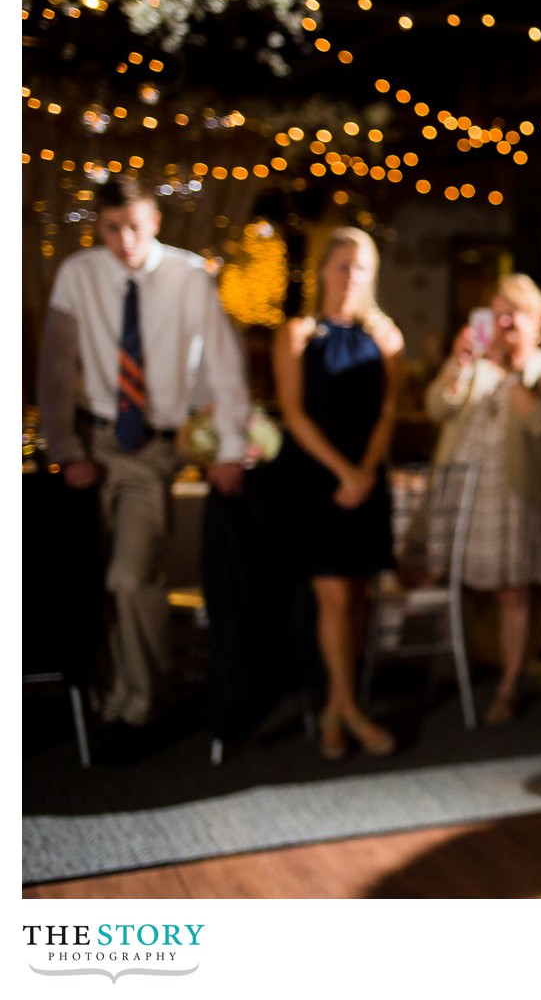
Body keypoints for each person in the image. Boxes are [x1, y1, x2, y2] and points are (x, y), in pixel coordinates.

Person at [35, 177, 250, 755]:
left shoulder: (188, 276)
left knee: (132, 576)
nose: (125, 240)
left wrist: (230, 447)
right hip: (95, 439)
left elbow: (225, 366)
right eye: (111, 228)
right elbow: (54, 368)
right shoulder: (78, 275)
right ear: (98, 227)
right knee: (92, 582)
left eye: (134, 226)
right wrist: (66, 450)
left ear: (154, 221)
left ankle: (144, 703)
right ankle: (109, 696)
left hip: (155, 444)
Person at [273, 227, 405, 760]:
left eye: (362, 268)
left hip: (368, 475)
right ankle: (346, 708)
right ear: (323, 270)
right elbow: (294, 414)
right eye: (343, 265)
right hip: (316, 477)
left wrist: (366, 471)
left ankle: (337, 707)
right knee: (333, 595)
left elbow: (389, 410)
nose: (351, 276)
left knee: (360, 597)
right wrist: (343, 473)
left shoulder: (385, 335)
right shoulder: (298, 333)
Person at [425, 273, 541, 725]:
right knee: (450, 583)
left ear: (535, 320)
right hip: (461, 491)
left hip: (513, 495)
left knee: (513, 592)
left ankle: (508, 686)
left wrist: (512, 369)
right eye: (498, 310)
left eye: (515, 313)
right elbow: (436, 407)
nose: (505, 320)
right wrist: (458, 361)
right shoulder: (474, 363)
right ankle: (449, 669)